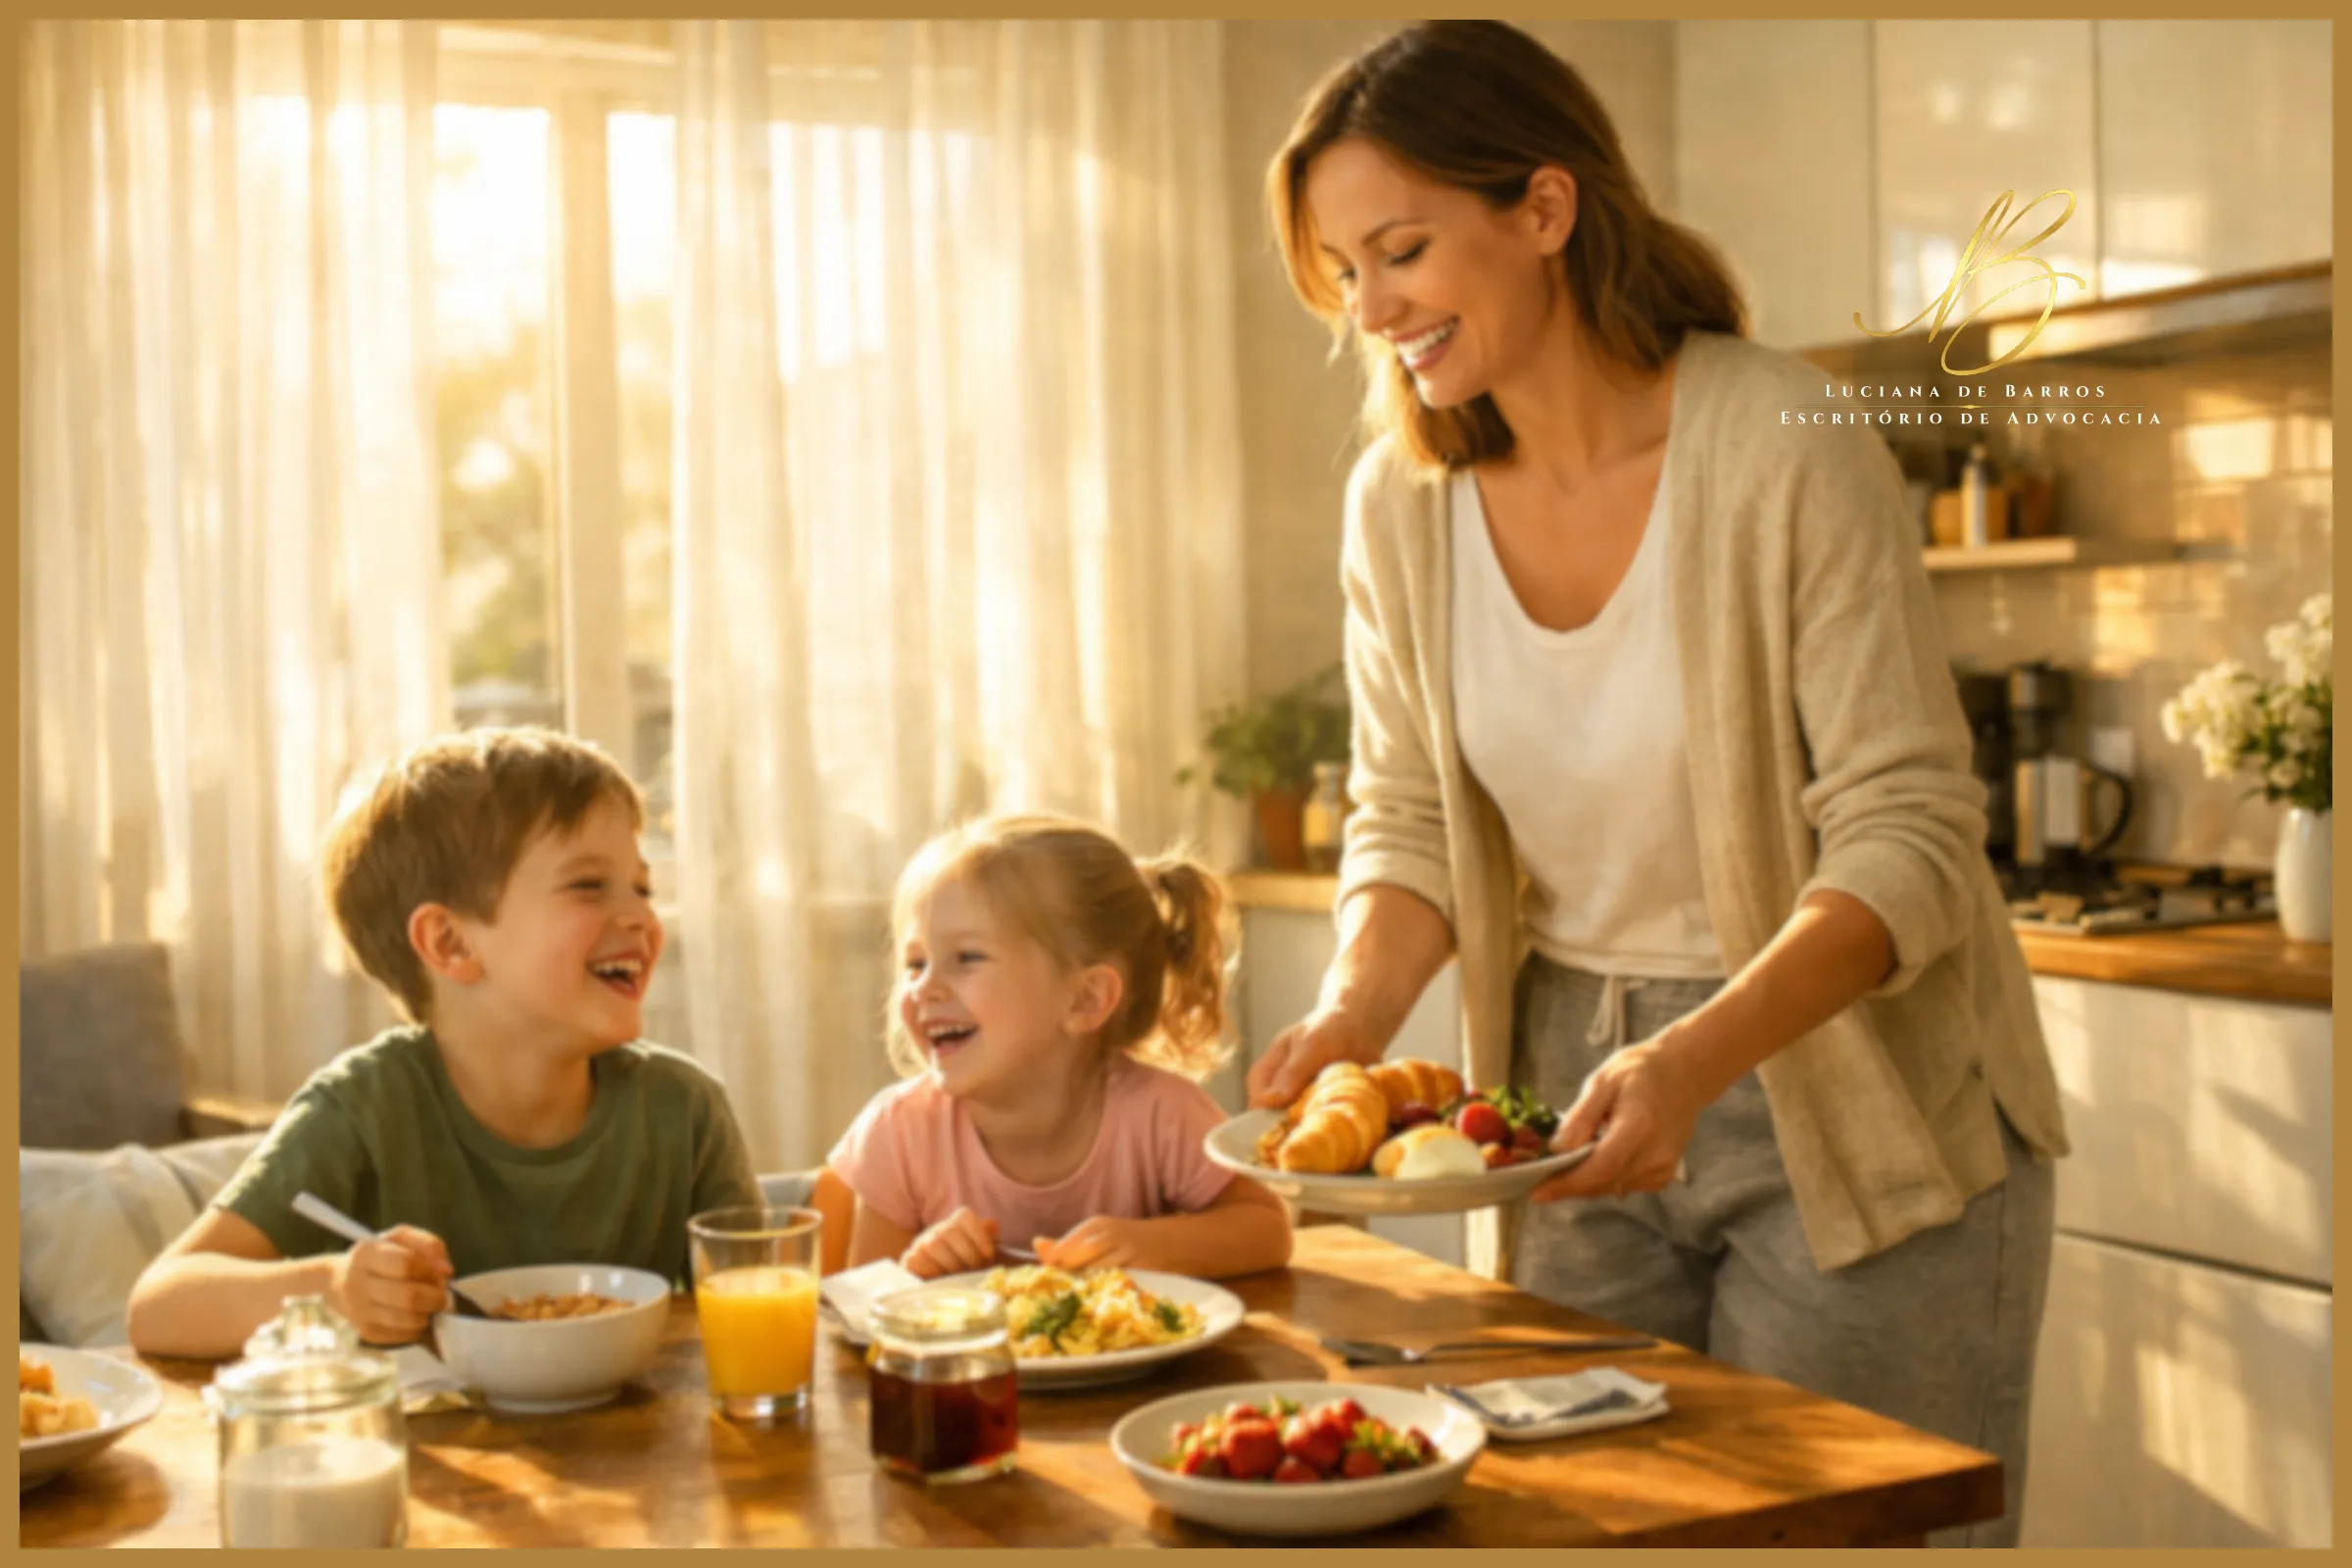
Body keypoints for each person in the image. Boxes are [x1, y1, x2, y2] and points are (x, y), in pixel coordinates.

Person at [1246, 21, 2066, 1547]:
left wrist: (1693, 1061)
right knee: (1587, 1527)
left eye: (1402, 251)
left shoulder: (1784, 447)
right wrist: (1355, 1014)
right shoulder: (1400, 507)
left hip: (1850, 1093)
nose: (1370, 309)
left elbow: (1911, 829)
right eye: (1344, 272)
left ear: (1545, 209)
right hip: (1562, 1104)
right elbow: (1407, 815)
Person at [125, 727, 762, 1358]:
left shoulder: (686, 1111)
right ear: (451, 944)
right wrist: (334, 1290)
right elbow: (158, 1307)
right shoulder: (362, 1110)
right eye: (588, 885)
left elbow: (761, 1298)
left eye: (642, 888)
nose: (642, 918)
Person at [831, 814, 1292, 1281]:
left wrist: (1159, 1244)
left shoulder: (1161, 1114)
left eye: (967, 958)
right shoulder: (901, 1131)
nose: (924, 988)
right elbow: (864, 1298)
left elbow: (1268, 1231)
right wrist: (918, 1273)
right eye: (916, 963)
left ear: (1085, 1000)